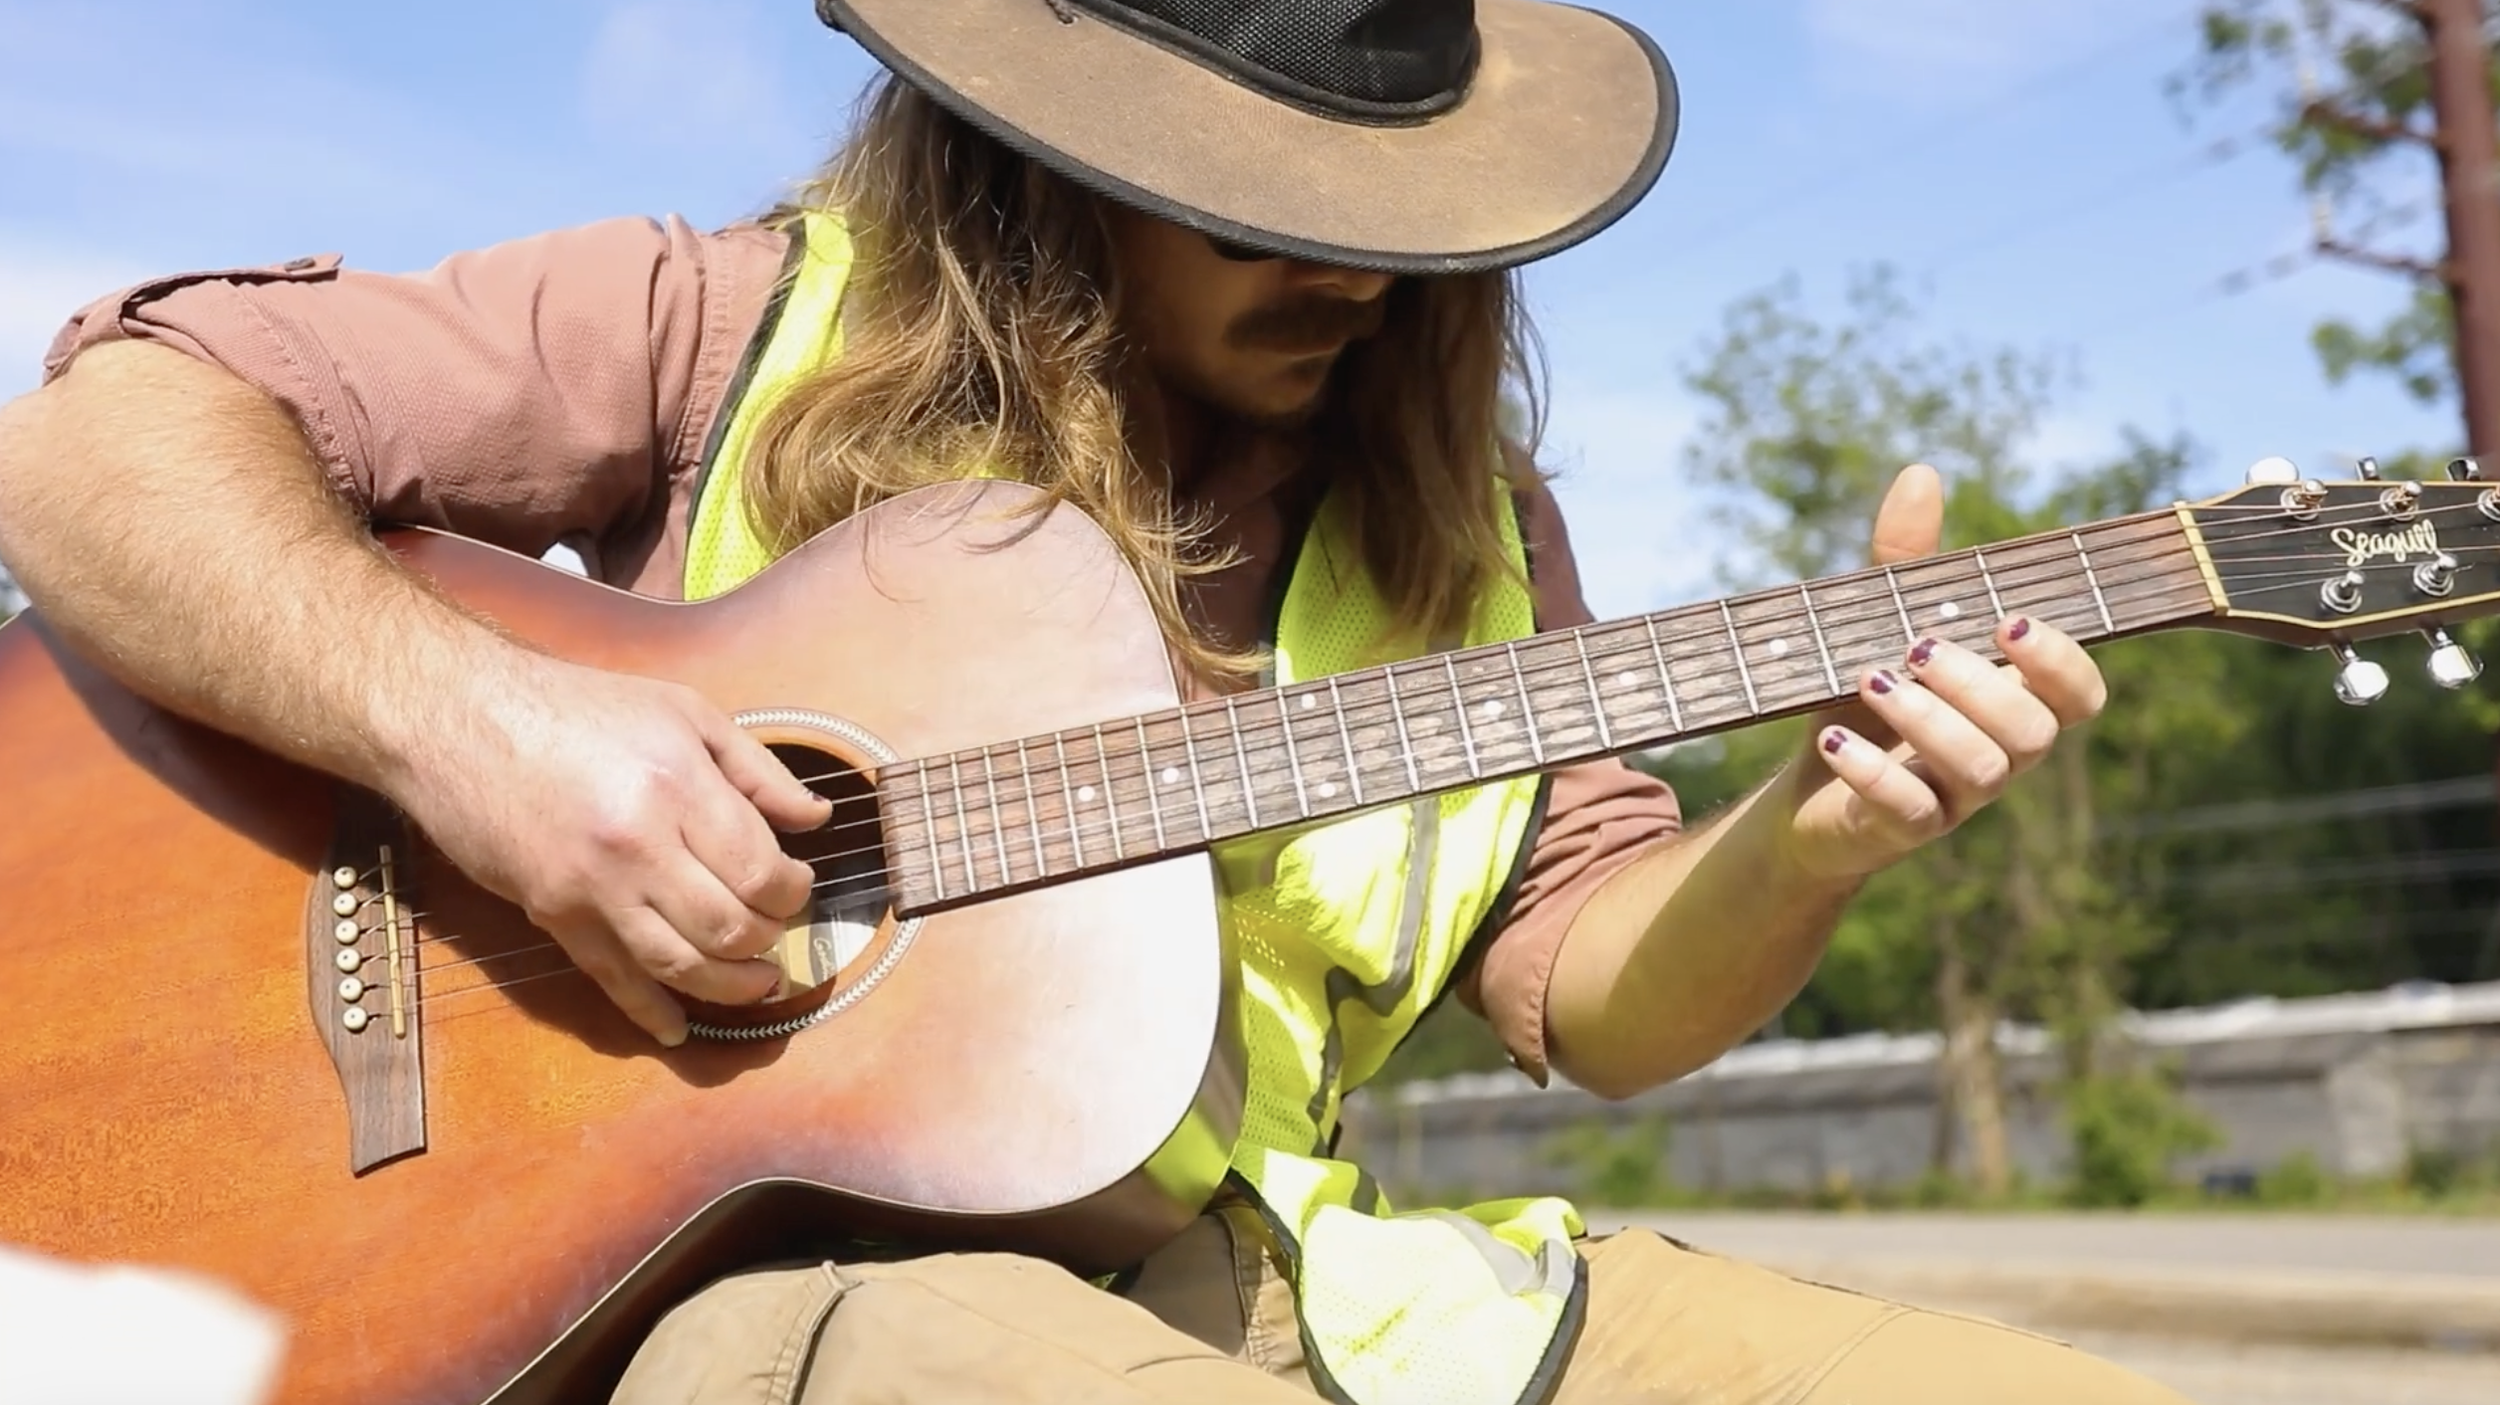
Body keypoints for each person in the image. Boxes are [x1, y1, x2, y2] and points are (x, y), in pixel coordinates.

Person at [0, 2, 2193, 1402]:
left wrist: (1816, 836)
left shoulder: (1472, 522)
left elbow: (1594, 993)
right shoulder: (711, 319)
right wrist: (486, 743)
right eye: (1256, 206)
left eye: (1391, 214)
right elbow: (101, 445)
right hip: (807, 1307)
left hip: (1303, 1292)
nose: (1347, 270)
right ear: (1053, 163)